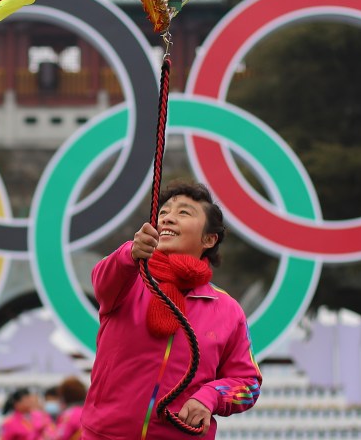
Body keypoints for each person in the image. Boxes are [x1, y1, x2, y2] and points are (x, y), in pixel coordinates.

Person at [80, 181, 262, 439]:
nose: (168, 219)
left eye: (183, 213)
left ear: (209, 239)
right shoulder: (128, 279)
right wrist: (129, 253)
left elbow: (249, 385)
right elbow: (102, 278)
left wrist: (210, 398)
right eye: (163, 213)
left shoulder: (228, 310)